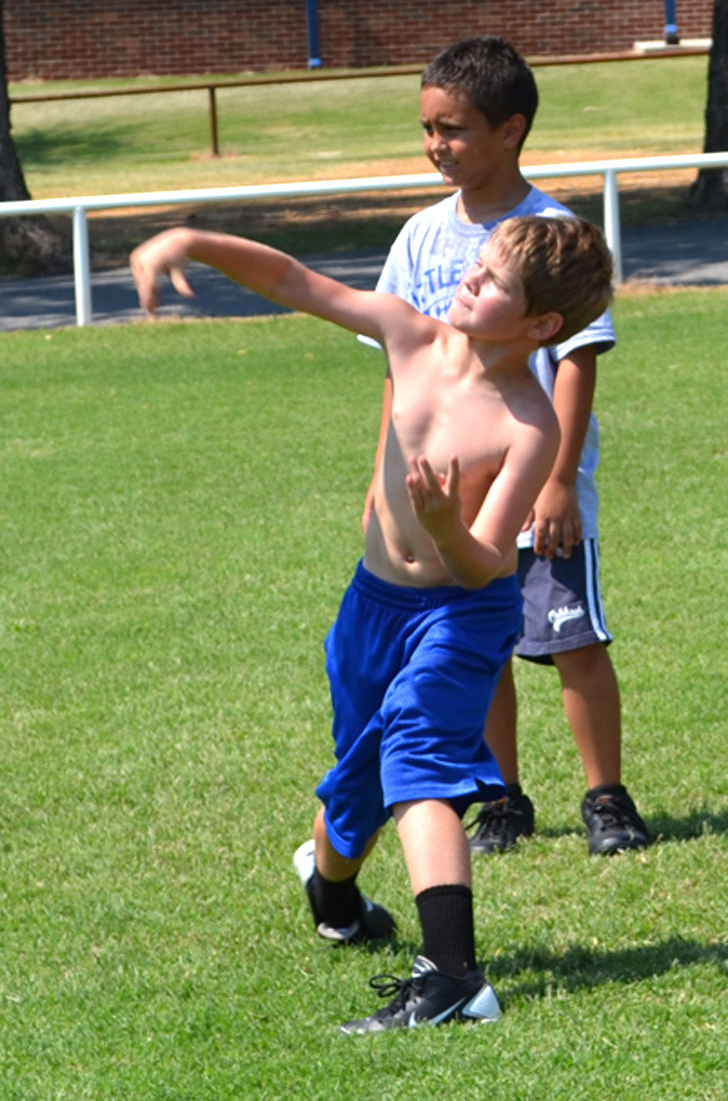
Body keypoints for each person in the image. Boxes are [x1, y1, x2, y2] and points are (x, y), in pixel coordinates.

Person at [130, 211, 614, 1031]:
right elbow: (293, 281)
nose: (470, 278)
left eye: (494, 280)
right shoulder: (408, 335)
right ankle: (336, 894)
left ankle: (453, 976)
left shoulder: (530, 423)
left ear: (542, 325)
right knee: (353, 787)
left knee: (418, 763)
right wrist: (191, 242)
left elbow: (487, 562)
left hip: (461, 616)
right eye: (478, 264)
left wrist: (443, 525)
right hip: (372, 607)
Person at [362, 36, 649, 857]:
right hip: (451, 503)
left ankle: (606, 798)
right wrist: (383, 479)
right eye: (427, 127)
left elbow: (580, 362)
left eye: (452, 129)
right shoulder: (419, 236)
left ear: (510, 129)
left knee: (572, 642)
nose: (434, 145)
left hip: (534, 485)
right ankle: (502, 799)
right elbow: (399, 369)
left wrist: (558, 481)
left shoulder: (553, 234)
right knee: (478, 649)